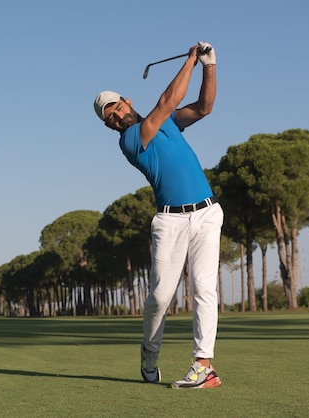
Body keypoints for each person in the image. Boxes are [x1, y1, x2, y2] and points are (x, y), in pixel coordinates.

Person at [93, 42, 222, 389]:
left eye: (118, 107)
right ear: (111, 126)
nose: (118, 116)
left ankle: (203, 366)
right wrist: (191, 60)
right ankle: (149, 355)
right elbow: (166, 102)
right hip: (170, 222)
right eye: (111, 118)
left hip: (208, 213)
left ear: (127, 101)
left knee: (205, 290)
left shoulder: (166, 124)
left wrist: (209, 66)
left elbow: (204, 107)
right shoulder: (132, 140)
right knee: (160, 298)